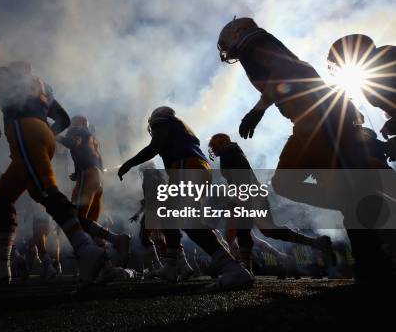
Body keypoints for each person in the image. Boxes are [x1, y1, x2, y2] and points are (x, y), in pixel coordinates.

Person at [217, 18, 393, 281]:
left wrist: (257, 111)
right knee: (334, 187)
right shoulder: (258, 45)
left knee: (298, 183)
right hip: (314, 117)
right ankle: (373, 241)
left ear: (237, 34)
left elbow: (283, 71)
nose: (226, 50)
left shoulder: (254, 43)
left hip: (318, 117)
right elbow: (283, 77)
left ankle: (375, 239)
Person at [0, 61, 108, 288]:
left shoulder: (8, 79)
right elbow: (63, 119)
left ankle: (86, 251)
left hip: (24, 130)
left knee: (47, 192)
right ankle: (2, 265)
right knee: (4, 199)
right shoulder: (43, 86)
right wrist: (48, 132)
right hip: (41, 136)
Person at [118, 106, 254, 289]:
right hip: (194, 167)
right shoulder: (179, 127)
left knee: (189, 222)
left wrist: (129, 163)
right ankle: (171, 265)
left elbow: (154, 147)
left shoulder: (165, 123)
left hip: (186, 166)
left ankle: (232, 269)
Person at [208, 133, 334, 270]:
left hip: (248, 194)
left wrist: (241, 196)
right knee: (262, 230)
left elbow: (241, 176)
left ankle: (244, 268)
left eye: (213, 145)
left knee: (248, 229)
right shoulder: (232, 151)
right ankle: (316, 243)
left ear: (221, 142)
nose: (212, 149)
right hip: (251, 193)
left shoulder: (228, 153)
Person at [57, 115, 130, 265]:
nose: (71, 125)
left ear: (81, 123)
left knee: (76, 218)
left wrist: (55, 136)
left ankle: (115, 239)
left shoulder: (77, 131)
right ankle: (105, 264)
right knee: (90, 224)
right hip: (97, 178)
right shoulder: (92, 138)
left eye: (74, 122)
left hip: (88, 175)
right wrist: (78, 173)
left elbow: (72, 143)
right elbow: (95, 159)